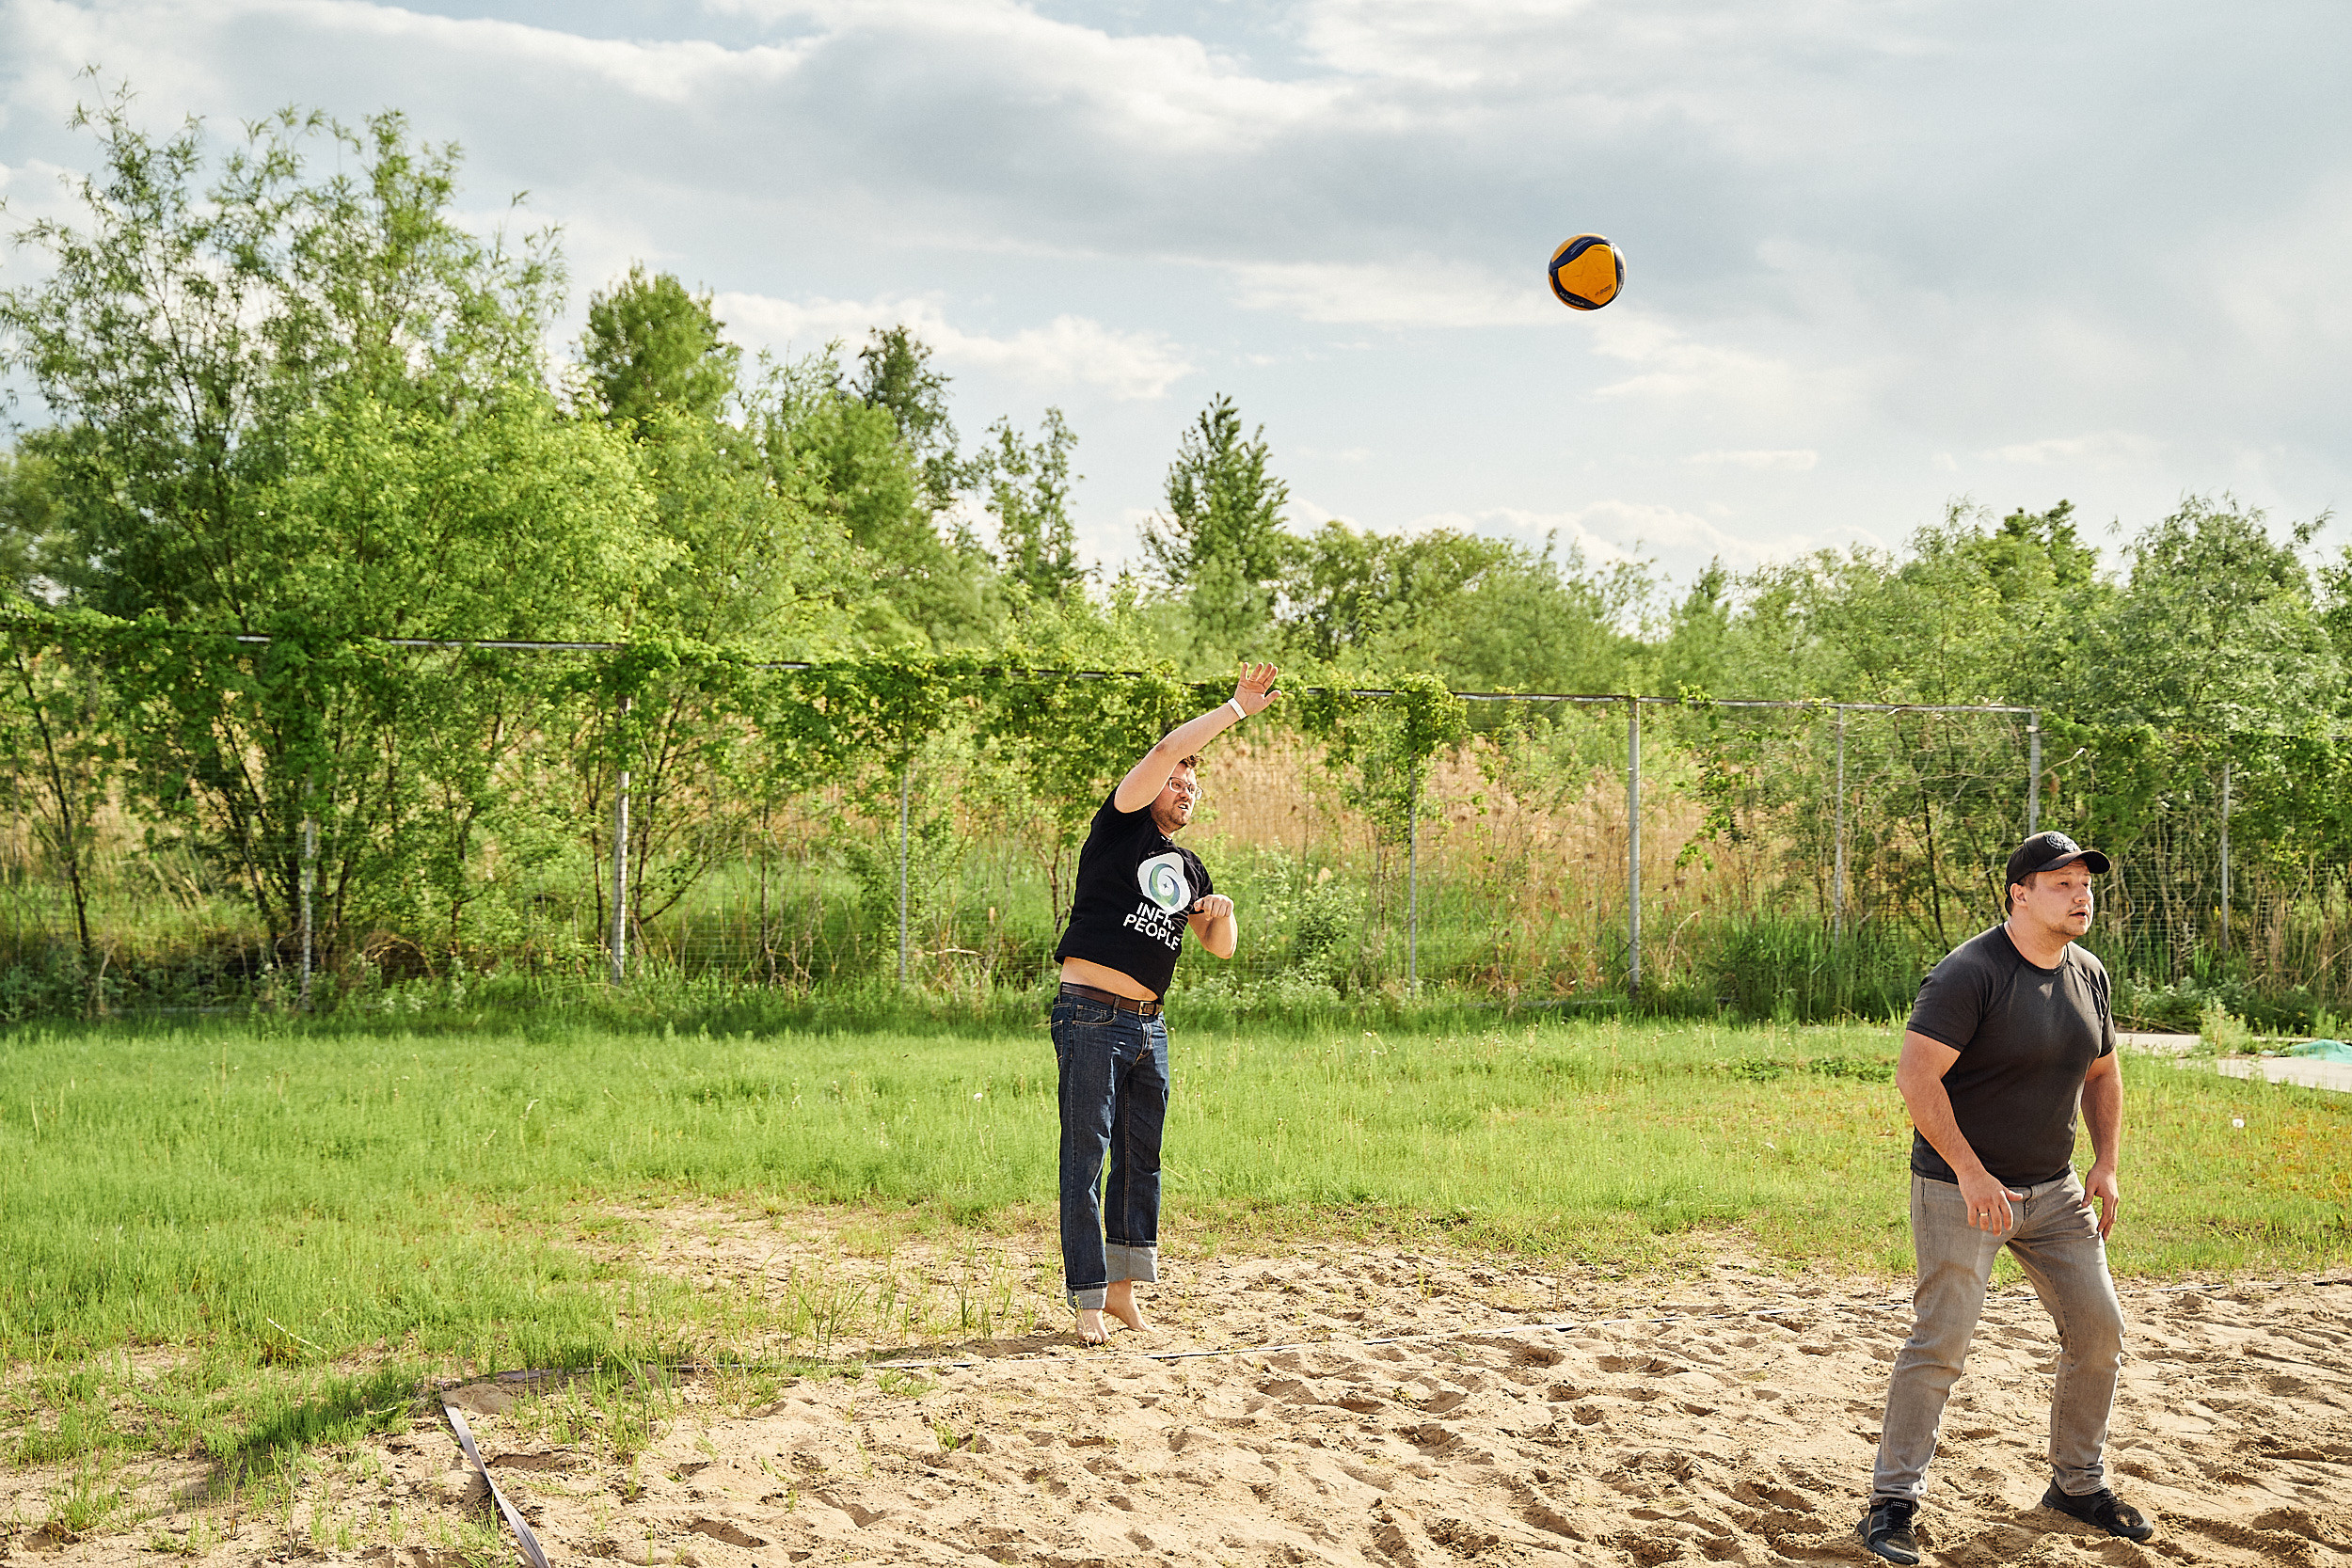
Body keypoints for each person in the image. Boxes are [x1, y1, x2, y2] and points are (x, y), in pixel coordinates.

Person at [1857, 832, 2155, 1564]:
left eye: (2085, 882)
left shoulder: (2088, 973)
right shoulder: (1969, 973)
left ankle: (2077, 1486)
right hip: (1962, 1187)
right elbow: (1916, 1078)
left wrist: (2106, 1163)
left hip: (2053, 1189)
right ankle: (1892, 1503)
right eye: (2061, 883)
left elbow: (2103, 1074)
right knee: (1943, 1342)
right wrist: (1970, 1171)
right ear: (2018, 893)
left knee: (2100, 1332)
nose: (2081, 893)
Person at [1049, 662, 1278, 1345]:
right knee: (1085, 1156)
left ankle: (1122, 1291)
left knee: (1139, 1160)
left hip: (1150, 1028)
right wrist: (1235, 709)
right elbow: (1162, 751)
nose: (1185, 787)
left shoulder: (1188, 865)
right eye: (1178, 779)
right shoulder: (1119, 828)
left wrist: (1224, 911)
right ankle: (1087, 1298)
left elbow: (1219, 945)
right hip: (1091, 1014)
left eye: (1193, 784)